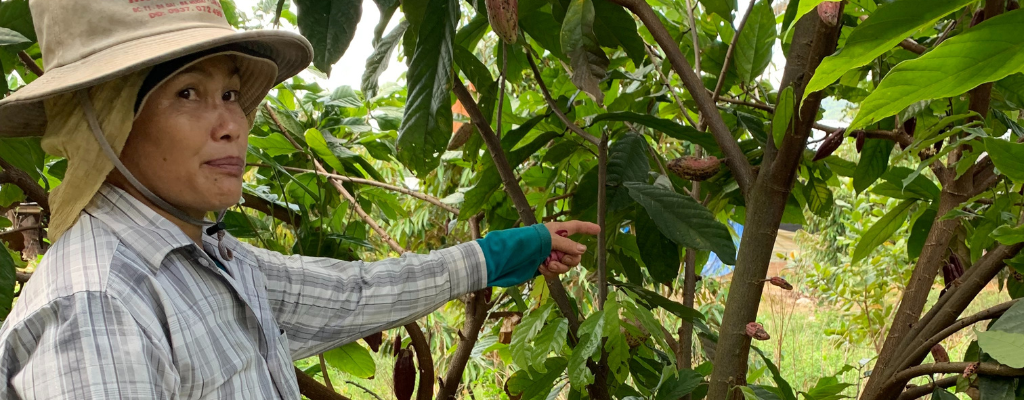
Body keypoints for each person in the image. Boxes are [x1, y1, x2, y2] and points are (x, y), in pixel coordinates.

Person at [0, 1, 599, 398]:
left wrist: (497, 255)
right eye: (188, 93)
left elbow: (353, 295)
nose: (232, 123)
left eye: (231, 92)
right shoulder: (99, 306)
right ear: (104, 122)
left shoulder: (209, 258)